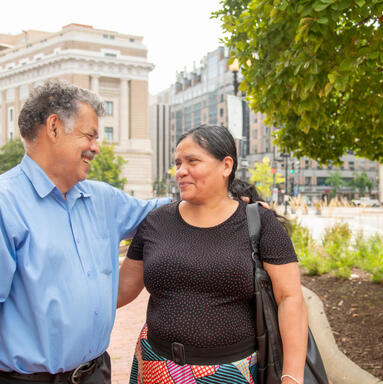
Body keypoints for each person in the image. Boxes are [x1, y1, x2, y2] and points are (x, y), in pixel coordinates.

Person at [0, 81, 170, 384]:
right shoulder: (6, 203)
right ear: (53, 127)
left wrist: (225, 198)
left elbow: (162, 213)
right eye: (89, 135)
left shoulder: (104, 199)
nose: (96, 146)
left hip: (96, 374)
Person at [118, 125, 308, 384]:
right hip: (155, 367)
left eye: (192, 161)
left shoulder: (260, 223)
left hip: (231, 374)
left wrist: (292, 377)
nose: (180, 171)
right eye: (177, 163)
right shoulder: (155, 222)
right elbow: (122, 290)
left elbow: (290, 298)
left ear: (226, 166)